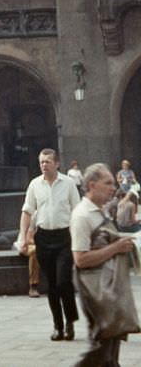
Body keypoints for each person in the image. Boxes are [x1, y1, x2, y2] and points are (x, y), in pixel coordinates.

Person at [71, 162, 140, 366]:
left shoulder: (101, 211)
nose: (113, 187)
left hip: (109, 288)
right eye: (108, 183)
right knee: (102, 347)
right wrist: (116, 248)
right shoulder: (82, 215)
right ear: (92, 185)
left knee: (110, 345)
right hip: (95, 290)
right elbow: (80, 259)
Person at [17, 147, 80, 341]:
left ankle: (70, 321)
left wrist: (79, 237)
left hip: (64, 238)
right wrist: (22, 236)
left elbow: (77, 211)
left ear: (57, 164)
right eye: (41, 162)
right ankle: (58, 326)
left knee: (63, 282)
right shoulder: (35, 185)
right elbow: (27, 211)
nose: (44, 165)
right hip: (43, 238)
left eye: (48, 162)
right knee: (52, 285)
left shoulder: (68, 184)